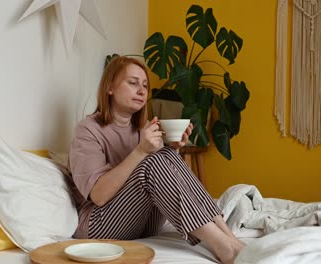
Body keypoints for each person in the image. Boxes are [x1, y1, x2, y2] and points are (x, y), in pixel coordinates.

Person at [67, 56, 245, 263]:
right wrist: (141, 151)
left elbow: (163, 182)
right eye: (133, 83)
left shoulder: (143, 129)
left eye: (144, 85)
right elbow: (98, 196)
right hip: (99, 226)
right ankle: (223, 246)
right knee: (153, 160)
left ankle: (230, 238)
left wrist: (174, 150)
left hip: (143, 222)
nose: (142, 91)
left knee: (166, 154)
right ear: (110, 88)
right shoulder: (88, 130)